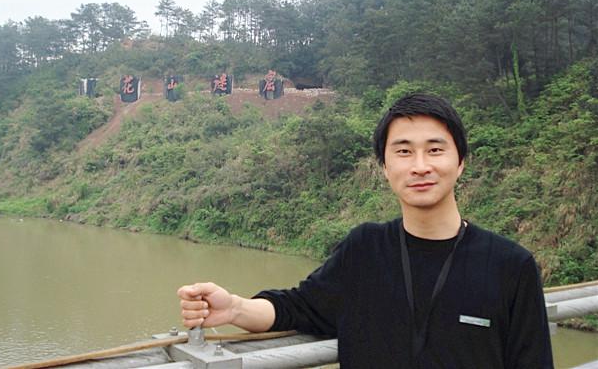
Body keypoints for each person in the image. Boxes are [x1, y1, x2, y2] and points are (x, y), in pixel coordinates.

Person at [177, 94, 553, 368]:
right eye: (403, 152)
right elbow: (298, 307)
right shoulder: (365, 249)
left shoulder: (510, 266)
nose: (420, 166)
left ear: (460, 162)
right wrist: (235, 308)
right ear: (385, 167)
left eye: (435, 150)